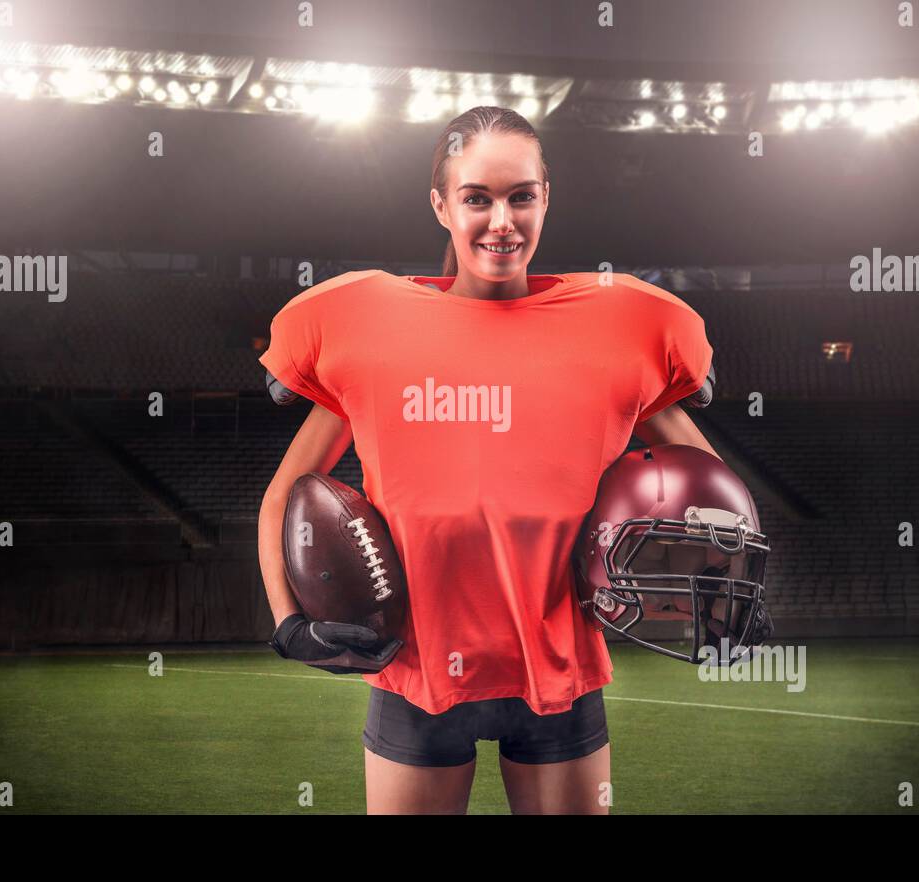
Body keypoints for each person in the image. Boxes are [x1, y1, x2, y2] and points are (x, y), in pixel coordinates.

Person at [258, 106, 720, 814]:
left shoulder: (617, 328)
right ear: (442, 205)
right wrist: (289, 620)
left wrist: (719, 574)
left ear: (546, 197)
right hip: (414, 665)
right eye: (477, 197)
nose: (501, 219)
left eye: (520, 196)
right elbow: (286, 490)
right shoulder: (372, 327)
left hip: (559, 666)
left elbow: (703, 478)